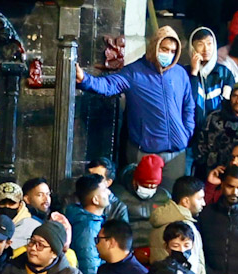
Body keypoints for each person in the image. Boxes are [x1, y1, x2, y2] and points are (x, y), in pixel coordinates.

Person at [77, 26, 196, 172]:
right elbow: (107, 85)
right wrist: (84, 79)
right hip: (145, 152)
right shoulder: (134, 72)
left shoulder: (180, 73)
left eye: (173, 51)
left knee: (173, 188)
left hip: (176, 154)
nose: (169, 54)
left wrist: (186, 132)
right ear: (154, 46)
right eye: (164, 49)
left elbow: (188, 105)